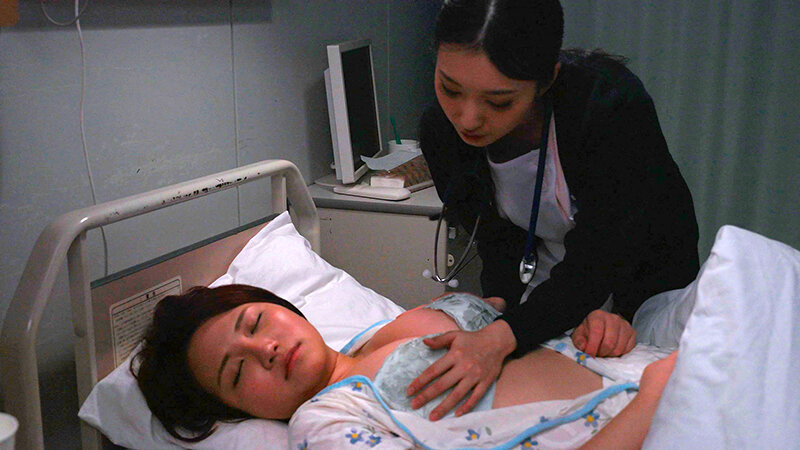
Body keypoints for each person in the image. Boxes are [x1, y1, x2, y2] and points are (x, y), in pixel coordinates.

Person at [412, 0, 699, 420]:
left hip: (640, 278)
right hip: (552, 282)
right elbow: (495, 237)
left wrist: (618, 314)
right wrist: (501, 305)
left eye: (499, 101)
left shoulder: (608, 106)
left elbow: (608, 248)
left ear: (547, 80)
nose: (468, 119)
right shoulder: (441, 131)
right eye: (450, 89)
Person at [133, 284, 676, 448]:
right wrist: (653, 402)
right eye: (236, 373)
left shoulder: (397, 321)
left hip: (644, 371)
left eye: (254, 323)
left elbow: (532, 329)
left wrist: (597, 330)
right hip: (646, 423)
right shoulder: (325, 423)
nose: (265, 349)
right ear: (237, 412)